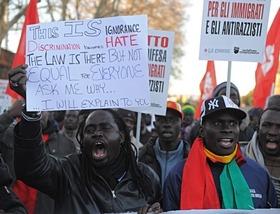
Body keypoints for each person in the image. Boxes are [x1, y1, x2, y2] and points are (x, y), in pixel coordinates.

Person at [9, 64, 162, 213]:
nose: (97, 133)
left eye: (105, 128)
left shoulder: (146, 178)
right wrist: (31, 108)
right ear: (82, 140)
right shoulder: (69, 173)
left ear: (122, 136)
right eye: (90, 130)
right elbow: (31, 168)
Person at [163, 95, 278, 211]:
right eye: (218, 123)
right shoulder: (179, 175)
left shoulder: (258, 173)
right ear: (202, 131)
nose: (227, 129)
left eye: (233, 123)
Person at [139, 100, 189, 189]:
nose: (167, 124)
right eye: (162, 119)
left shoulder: (191, 158)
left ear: (181, 124)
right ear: (155, 124)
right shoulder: (141, 156)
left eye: (173, 120)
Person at [244, 95, 280, 207]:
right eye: (267, 125)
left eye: (279, 127)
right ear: (258, 129)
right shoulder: (238, 160)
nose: (272, 132)